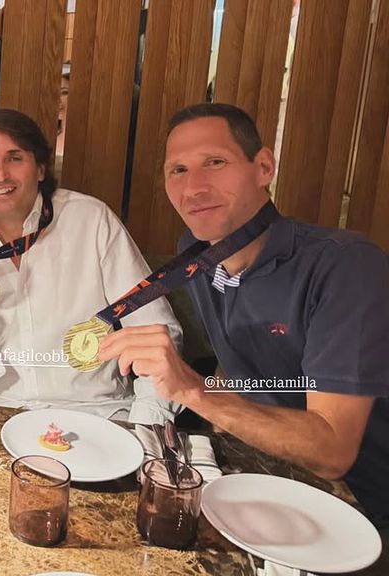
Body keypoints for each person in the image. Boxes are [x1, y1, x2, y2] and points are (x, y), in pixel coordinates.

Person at [98, 103, 389, 529]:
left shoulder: (346, 265)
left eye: (215, 162)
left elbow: (333, 452)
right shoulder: (196, 255)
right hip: (266, 483)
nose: (194, 187)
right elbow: (240, 363)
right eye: (178, 170)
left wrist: (193, 390)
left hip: (362, 511)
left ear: (264, 167)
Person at [0, 109, 182, 424]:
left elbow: (158, 333)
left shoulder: (92, 221)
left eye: (15, 158)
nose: (0, 174)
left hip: (99, 414)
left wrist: (147, 426)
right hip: (1, 415)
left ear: (41, 168)